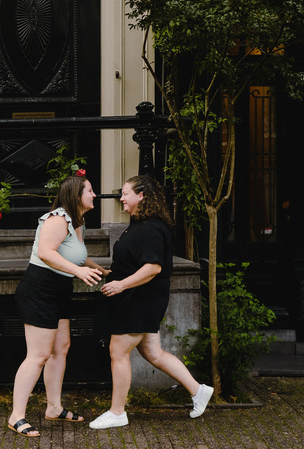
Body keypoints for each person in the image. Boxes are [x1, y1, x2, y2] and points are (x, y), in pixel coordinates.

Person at [89, 175, 214, 430]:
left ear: (142, 195)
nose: (121, 198)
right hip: (139, 297)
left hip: (140, 299)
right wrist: (106, 273)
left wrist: (121, 284)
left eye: (125, 193)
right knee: (153, 353)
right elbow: (134, 263)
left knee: (118, 351)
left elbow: (153, 267)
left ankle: (117, 412)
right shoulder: (140, 224)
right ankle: (198, 391)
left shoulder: (150, 228)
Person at [7, 174, 106, 437]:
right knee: (38, 355)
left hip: (60, 289)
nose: (94, 195)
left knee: (60, 348)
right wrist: (79, 271)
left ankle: (54, 407)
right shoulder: (57, 219)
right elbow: (46, 253)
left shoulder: (77, 223)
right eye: (90, 190)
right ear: (76, 196)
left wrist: (99, 270)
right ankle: (16, 415)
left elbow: (76, 256)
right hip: (40, 289)